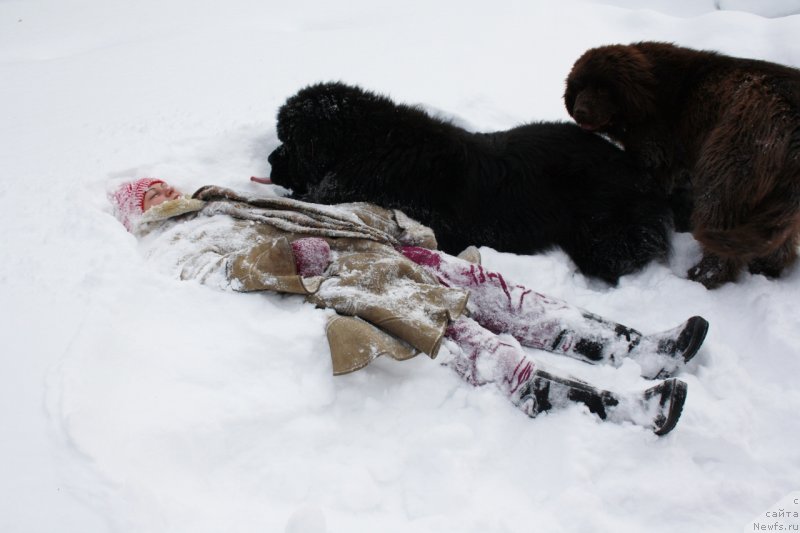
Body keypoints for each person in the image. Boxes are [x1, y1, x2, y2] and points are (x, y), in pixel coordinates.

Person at [109, 177, 710, 436]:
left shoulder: (218, 200)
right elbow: (214, 270)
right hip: (352, 278)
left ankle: (634, 348)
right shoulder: (173, 238)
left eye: (161, 184)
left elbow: (314, 213)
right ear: (140, 211)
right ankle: (621, 410)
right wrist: (286, 263)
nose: (163, 192)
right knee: (463, 335)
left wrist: (381, 222)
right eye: (150, 194)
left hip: (372, 249)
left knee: (495, 292)